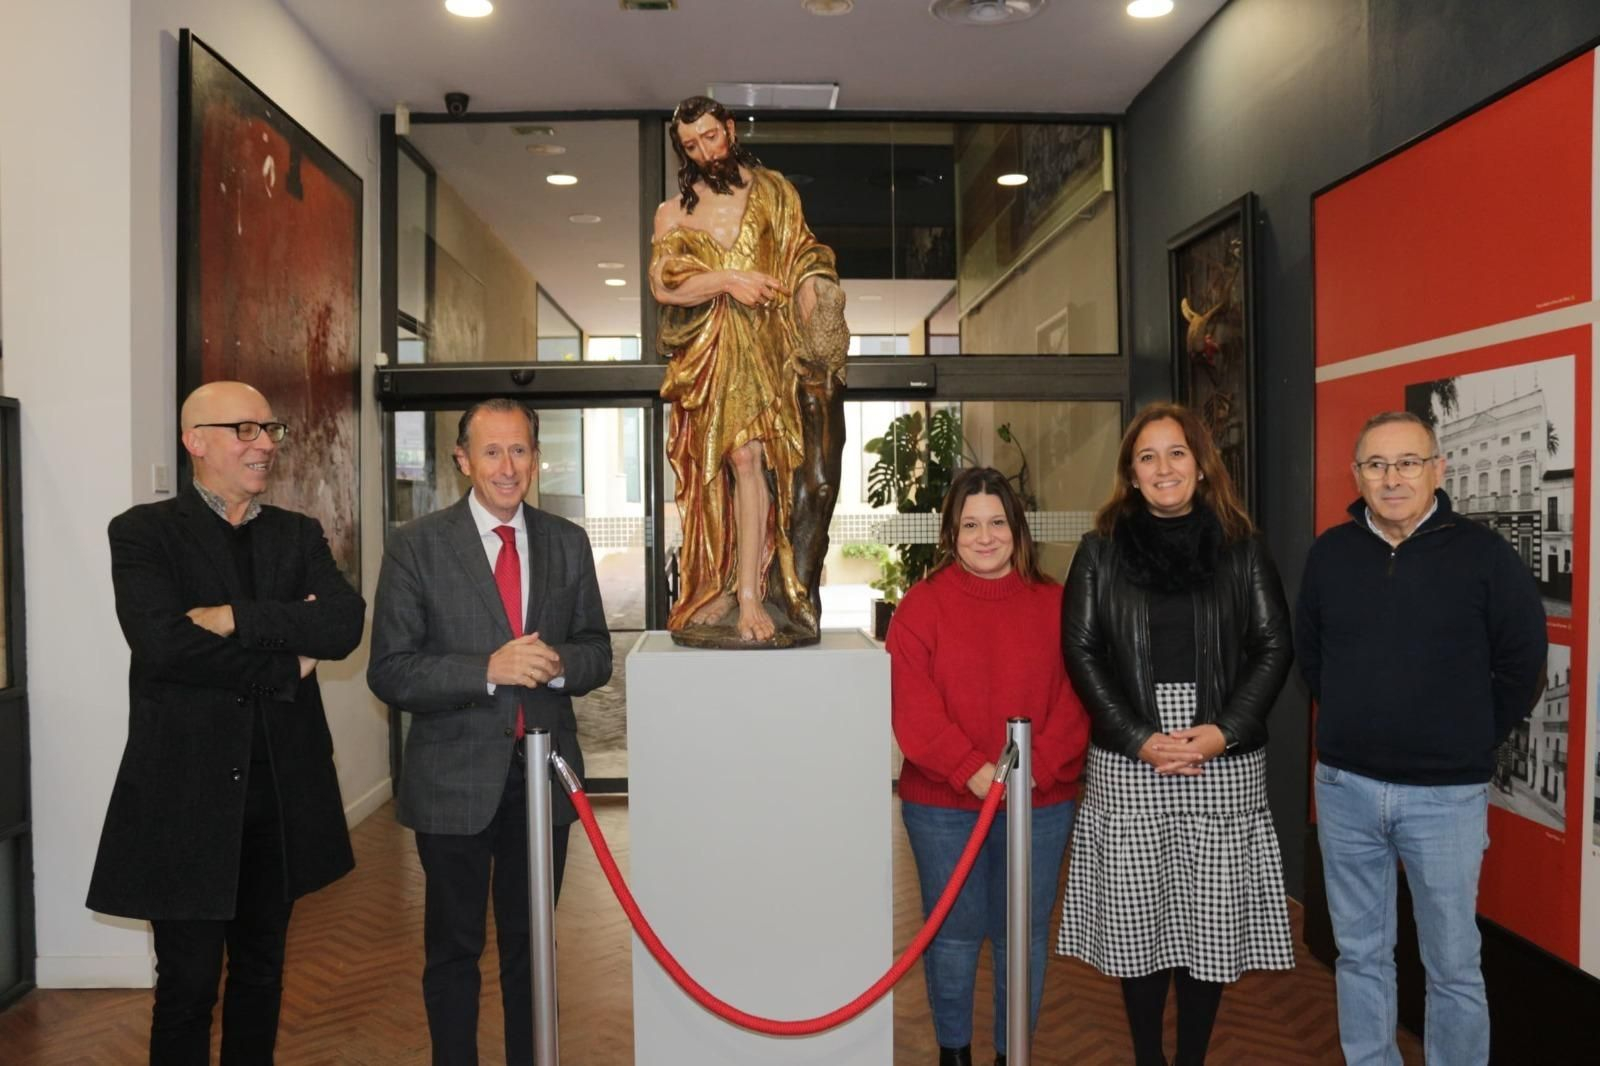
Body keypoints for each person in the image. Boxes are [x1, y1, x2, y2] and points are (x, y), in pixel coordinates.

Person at [87, 381, 364, 1065]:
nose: (265, 443)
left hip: (279, 794)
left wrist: (237, 617)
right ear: (195, 440)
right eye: (245, 430)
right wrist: (282, 663)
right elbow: (164, 645)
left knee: (263, 973)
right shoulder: (143, 534)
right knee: (186, 985)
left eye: (269, 429)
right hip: (183, 797)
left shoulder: (296, 534)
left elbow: (342, 623)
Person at [1296, 410, 1547, 1066]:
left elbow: (1523, 666)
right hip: (1346, 791)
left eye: (1409, 462)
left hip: (1446, 798)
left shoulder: (1485, 556)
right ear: (1357, 475)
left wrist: (1466, 737)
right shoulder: (1330, 553)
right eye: (1377, 465)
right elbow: (1312, 657)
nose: (1393, 477)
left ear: (1438, 469)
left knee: (1454, 966)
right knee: (1360, 956)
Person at [367, 398, 612, 1066]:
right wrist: (487, 669)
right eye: (493, 452)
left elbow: (597, 649)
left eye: (521, 450)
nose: (509, 467)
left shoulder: (567, 542)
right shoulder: (416, 547)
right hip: (452, 784)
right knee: (453, 949)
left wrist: (559, 664)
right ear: (463, 460)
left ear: (537, 456)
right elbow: (390, 670)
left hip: (544, 779)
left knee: (532, 946)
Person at [1057, 402, 1295, 1066]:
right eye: (1148, 456)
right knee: (1138, 923)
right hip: (1130, 749)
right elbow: (1081, 651)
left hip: (1221, 749)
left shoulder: (1242, 545)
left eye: (1177, 453)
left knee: (1209, 924)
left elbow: (1274, 648)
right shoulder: (1100, 549)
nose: (1165, 467)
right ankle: (1148, 1058)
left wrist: (1225, 730)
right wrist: (1136, 736)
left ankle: (1190, 1058)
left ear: (1200, 464)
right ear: (1130, 475)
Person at [887, 467, 1089, 1066]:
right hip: (942, 808)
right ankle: (955, 1053)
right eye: (970, 524)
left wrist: (1034, 773)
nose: (984, 536)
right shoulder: (921, 607)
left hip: (1041, 805)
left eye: (996, 522)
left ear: (1016, 528)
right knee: (950, 936)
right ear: (952, 533)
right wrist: (973, 770)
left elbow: (1079, 699)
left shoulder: (1057, 603)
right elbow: (910, 704)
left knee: (1021, 938)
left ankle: (1012, 1055)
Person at [652, 94, 847, 647]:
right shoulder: (673, 212)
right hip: (710, 351)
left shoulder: (774, 192)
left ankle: (753, 593)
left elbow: (803, 254)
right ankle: (724, 586)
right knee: (721, 469)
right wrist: (728, 281)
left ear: (730, 128)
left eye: (711, 136)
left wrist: (818, 299)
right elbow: (664, 285)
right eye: (691, 145)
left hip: (765, 346)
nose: (705, 151)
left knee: (754, 460)